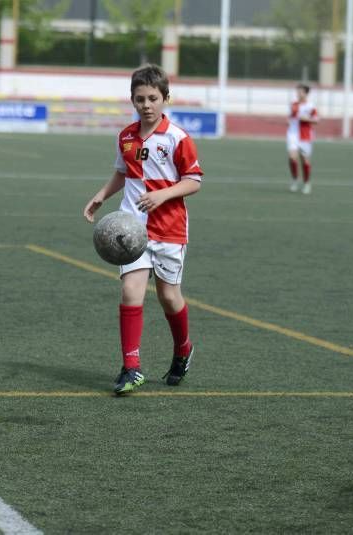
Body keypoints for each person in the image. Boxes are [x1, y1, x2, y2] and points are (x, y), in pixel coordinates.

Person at [83, 64, 202, 394]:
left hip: (170, 229)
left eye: (152, 98)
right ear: (132, 100)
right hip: (131, 229)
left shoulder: (178, 138)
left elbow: (193, 182)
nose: (146, 105)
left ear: (165, 98)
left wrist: (163, 194)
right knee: (131, 291)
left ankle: (183, 349)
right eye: (140, 99)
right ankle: (131, 367)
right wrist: (102, 195)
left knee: (168, 296)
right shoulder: (126, 136)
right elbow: (123, 173)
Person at [286, 83, 318, 194]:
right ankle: (295, 180)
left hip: (305, 135)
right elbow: (291, 116)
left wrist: (306, 119)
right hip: (293, 134)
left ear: (306, 93)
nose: (298, 94)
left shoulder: (311, 106)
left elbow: (316, 120)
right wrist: (289, 120)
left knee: (305, 160)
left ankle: (307, 183)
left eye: (300, 91)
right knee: (292, 157)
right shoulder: (294, 104)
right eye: (297, 91)